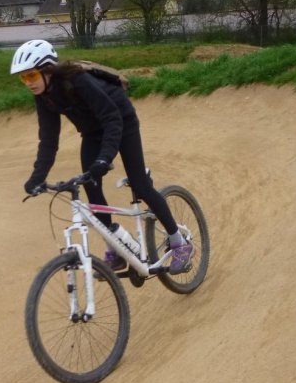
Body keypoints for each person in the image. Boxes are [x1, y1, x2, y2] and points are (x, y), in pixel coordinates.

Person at [11, 39, 193, 275]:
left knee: (140, 184)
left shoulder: (78, 80)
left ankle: (179, 242)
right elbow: (48, 140)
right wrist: (37, 177)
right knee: (91, 187)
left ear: (48, 70)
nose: (28, 83)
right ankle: (116, 250)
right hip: (92, 133)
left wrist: (104, 159)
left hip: (121, 121)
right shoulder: (45, 97)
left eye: (31, 76)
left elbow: (112, 119)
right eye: (23, 78)